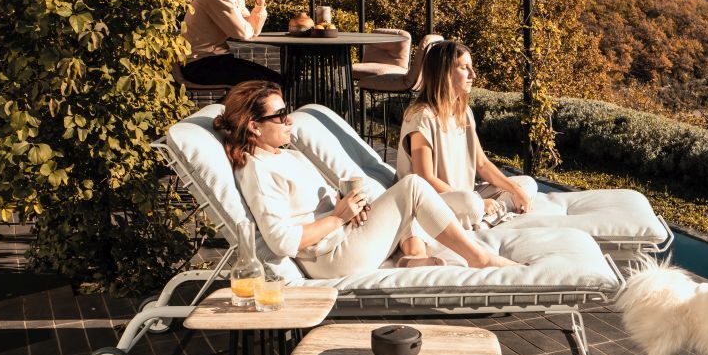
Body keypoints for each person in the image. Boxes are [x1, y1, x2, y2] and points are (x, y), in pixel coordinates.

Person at [215, 81, 518, 277]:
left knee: (397, 198)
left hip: (344, 235)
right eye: (279, 116)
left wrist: (346, 207)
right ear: (254, 127)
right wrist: (337, 218)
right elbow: (282, 241)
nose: (289, 120)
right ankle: (479, 258)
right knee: (412, 187)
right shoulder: (257, 170)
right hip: (330, 258)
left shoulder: (285, 155)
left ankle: (413, 256)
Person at [397, 41, 537, 228]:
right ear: (444, 73)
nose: (473, 75)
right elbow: (425, 179)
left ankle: (486, 220)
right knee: (470, 204)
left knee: (526, 184)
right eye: (464, 68)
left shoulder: (464, 112)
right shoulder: (422, 117)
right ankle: (484, 214)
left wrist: (515, 190)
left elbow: (482, 163)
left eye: (471, 67)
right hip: (434, 199)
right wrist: (478, 202)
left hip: (466, 195)